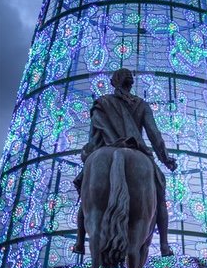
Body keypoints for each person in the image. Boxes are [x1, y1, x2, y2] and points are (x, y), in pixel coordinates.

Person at [72, 68, 177, 256]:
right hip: (136, 150)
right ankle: (164, 244)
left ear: (114, 83)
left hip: (105, 148)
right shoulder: (141, 104)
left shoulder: (101, 103)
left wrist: (89, 154)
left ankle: (80, 241)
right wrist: (165, 158)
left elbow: (93, 136)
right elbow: (154, 134)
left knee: (86, 193)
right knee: (160, 194)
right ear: (131, 84)